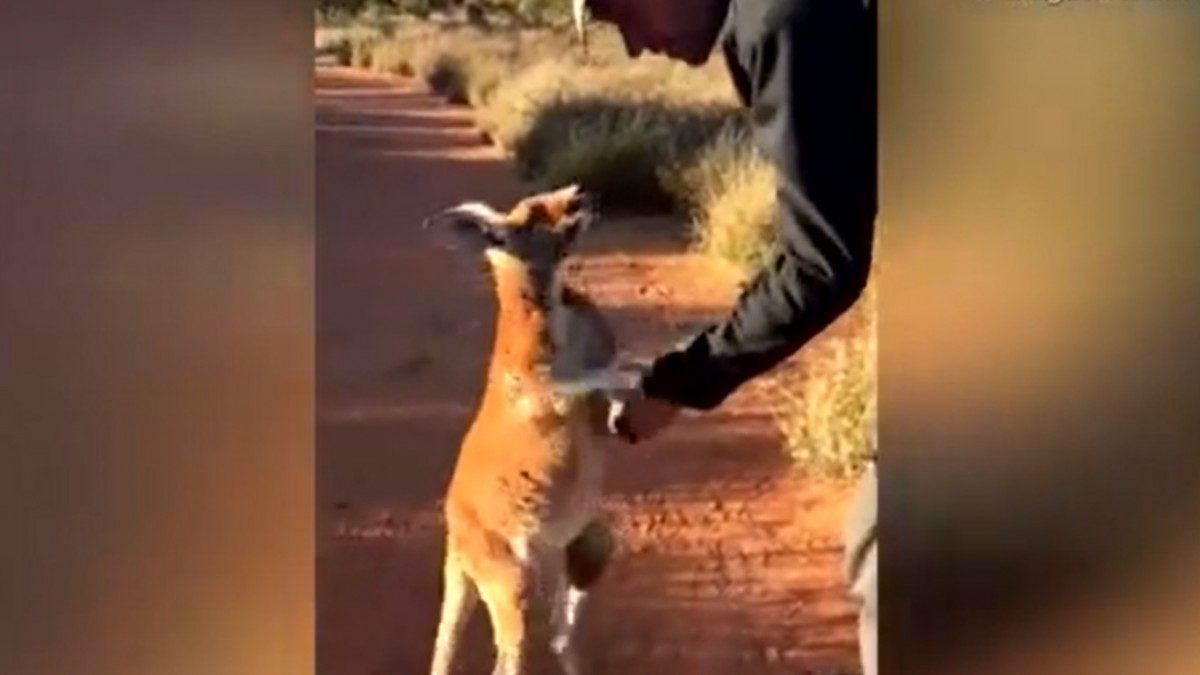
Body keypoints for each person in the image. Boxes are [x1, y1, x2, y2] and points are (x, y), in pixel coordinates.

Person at [571, 0, 877, 673]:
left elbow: (821, 264)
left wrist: (682, 380)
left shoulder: (781, 20)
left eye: (623, 14)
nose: (633, 46)